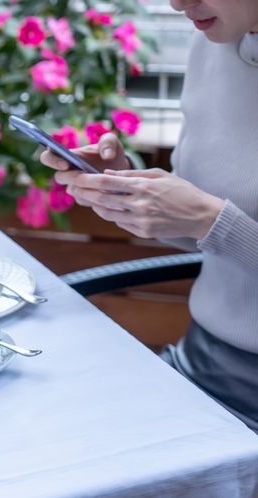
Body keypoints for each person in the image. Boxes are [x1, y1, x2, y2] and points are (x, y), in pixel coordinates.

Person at [40, 0, 258, 431]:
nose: (177, 3)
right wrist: (128, 191)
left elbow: (212, 222)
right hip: (203, 362)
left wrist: (210, 220)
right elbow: (201, 228)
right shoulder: (214, 41)